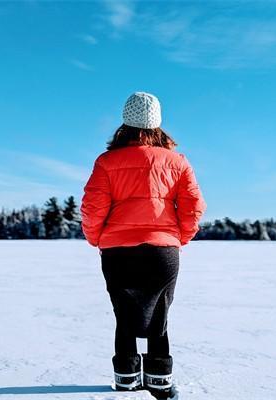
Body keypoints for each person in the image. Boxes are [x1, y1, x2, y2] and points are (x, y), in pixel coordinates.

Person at [80, 91, 206, 400]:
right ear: (158, 125)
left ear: (125, 123)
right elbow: (193, 207)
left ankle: (125, 379)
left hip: (117, 251)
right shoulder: (177, 162)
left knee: (123, 314)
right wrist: (179, 238)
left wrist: (96, 237)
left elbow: (92, 207)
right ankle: (160, 379)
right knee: (160, 316)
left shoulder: (107, 162)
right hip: (163, 251)